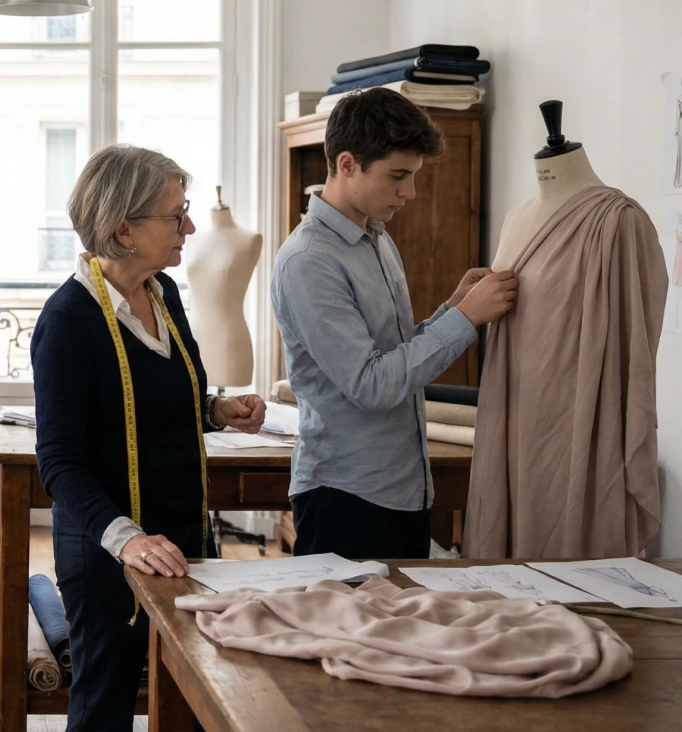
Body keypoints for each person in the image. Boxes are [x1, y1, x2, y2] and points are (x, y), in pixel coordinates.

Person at [32, 144, 266, 731]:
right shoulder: (67, 321)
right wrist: (127, 540)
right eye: (174, 214)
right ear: (123, 228)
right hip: (109, 549)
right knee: (105, 705)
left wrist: (215, 409)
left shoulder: (164, 294)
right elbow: (59, 461)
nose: (189, 226)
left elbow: (154, 401)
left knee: (191, 693)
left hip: (182, 536)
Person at [271, 88, 517, 560]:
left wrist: (452, 309)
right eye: (398, 176)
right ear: (347, 164)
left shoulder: (376, 237)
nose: (410, 192)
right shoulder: (309, 261)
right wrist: (466, 320)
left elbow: (393, 354)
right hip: (347, 498)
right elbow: (372, 384)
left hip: (401, 490)